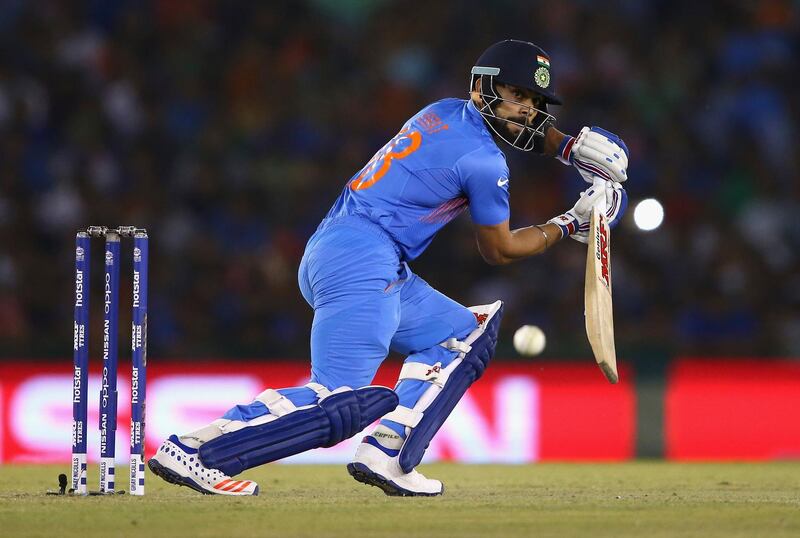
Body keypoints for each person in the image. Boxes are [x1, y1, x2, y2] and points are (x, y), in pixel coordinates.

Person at [148, 39, 629, 497]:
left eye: (536, 100)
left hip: (355, 252)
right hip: (362, 260)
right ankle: (195, 450)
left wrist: (566, 147)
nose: (528, 109)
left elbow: (514, 129)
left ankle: (390, 453)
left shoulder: (442, 111)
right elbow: (499, 250)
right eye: (519, 94)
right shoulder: (484, 161)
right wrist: (571, 223)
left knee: (462, 334)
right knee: (336, 399)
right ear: (484, 88)